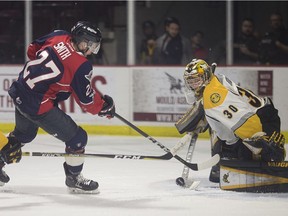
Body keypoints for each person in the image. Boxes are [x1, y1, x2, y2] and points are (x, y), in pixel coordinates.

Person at [0, 21, 116, 193]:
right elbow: (87, 102)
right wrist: (104, 108)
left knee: (24, 134)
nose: (92, 50)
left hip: (20, 90)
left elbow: (32, 49)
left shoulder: (58, 35)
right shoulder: (81, 65)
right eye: (91, 45)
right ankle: (74, 178)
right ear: (82, 41)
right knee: (78, 139)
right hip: (37, 104)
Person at [182, 59, 286, 183]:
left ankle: (262, 160)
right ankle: (226, 161)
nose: (194, 85)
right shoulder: (215, 79)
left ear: (206, 76)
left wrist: (264, 145)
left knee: (251, 151)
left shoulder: (213, 97)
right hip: (261, 111)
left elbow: (247, 122)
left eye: (197, 80)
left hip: (261, 120)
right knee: (217, 129)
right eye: (191, 82)